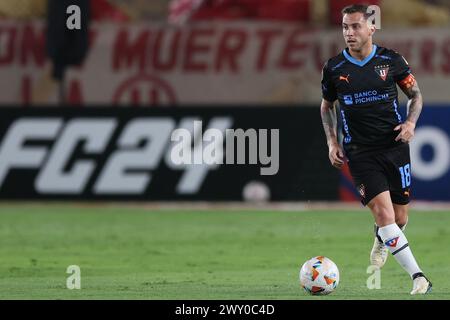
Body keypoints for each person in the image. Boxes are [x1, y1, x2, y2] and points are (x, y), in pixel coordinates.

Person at [319, 4, 432, 294]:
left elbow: (416, 96)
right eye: (345, 27)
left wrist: (410, 123)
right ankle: (419, 277)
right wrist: (332, 141)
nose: (349, 33)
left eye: (355, 26)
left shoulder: (391, 61)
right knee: (385, 217)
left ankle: (382, 238)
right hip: (360, 152)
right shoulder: (334, 68)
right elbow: (327, 106)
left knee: (400, 218)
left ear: (371, 28)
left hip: (394, 147)